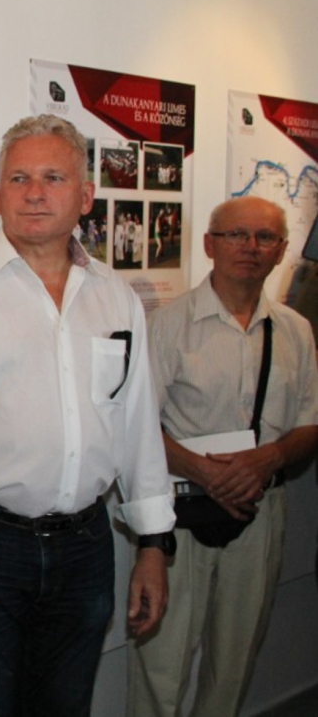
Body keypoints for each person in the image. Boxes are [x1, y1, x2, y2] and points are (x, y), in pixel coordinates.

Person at [0, 114, 176, 717]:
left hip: (86, 548)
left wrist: (153, 546)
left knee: (66, 707)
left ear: (85, 196)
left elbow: (137, 428)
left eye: (53, 178)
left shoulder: (116, 298)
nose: (34, 193)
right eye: (19, 178)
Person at [127, 196, 318, 717]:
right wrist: (204, 472)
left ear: (281, 250)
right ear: (210, 244)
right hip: (182, 512)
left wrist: (269, 458)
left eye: (265, 237)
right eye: (236, 235)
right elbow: (137, 428)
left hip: (260, 512)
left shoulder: (295, 331)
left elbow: (309, 424)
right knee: (162, 664)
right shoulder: (169, 326)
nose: (250, 247)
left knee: (234, 661)